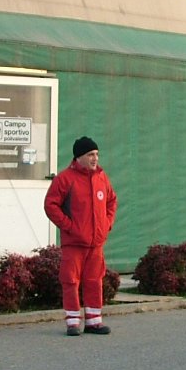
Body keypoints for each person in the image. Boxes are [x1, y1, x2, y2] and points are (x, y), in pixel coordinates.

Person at [44, 136, 118, 336]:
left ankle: (94, 322)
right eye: (90, 155)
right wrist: (69, 226)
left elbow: (112, 201)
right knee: (71, 281)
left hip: (96, 244)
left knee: (95, 280)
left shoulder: (102, 177)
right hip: (74, 243)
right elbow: (51, 205)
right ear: (79, 157)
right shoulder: (65, 179)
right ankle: (73, 322)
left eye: (96, 154)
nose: (95, 159)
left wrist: (106, 223)